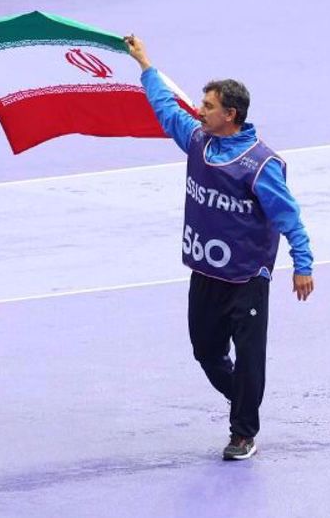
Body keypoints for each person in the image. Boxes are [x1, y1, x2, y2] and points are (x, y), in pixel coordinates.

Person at [125, 35, 314, 461]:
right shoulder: (196, 140)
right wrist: (144, 64)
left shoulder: (260, 165)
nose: (199, 110)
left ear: (231, 114)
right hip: (206, 275)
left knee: (248, 358)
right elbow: (165, 108)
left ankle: (243, 432)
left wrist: (302, 264)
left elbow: (289, 218)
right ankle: (244, 401)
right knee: (206, 352)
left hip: (247, 278)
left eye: (208, 106)